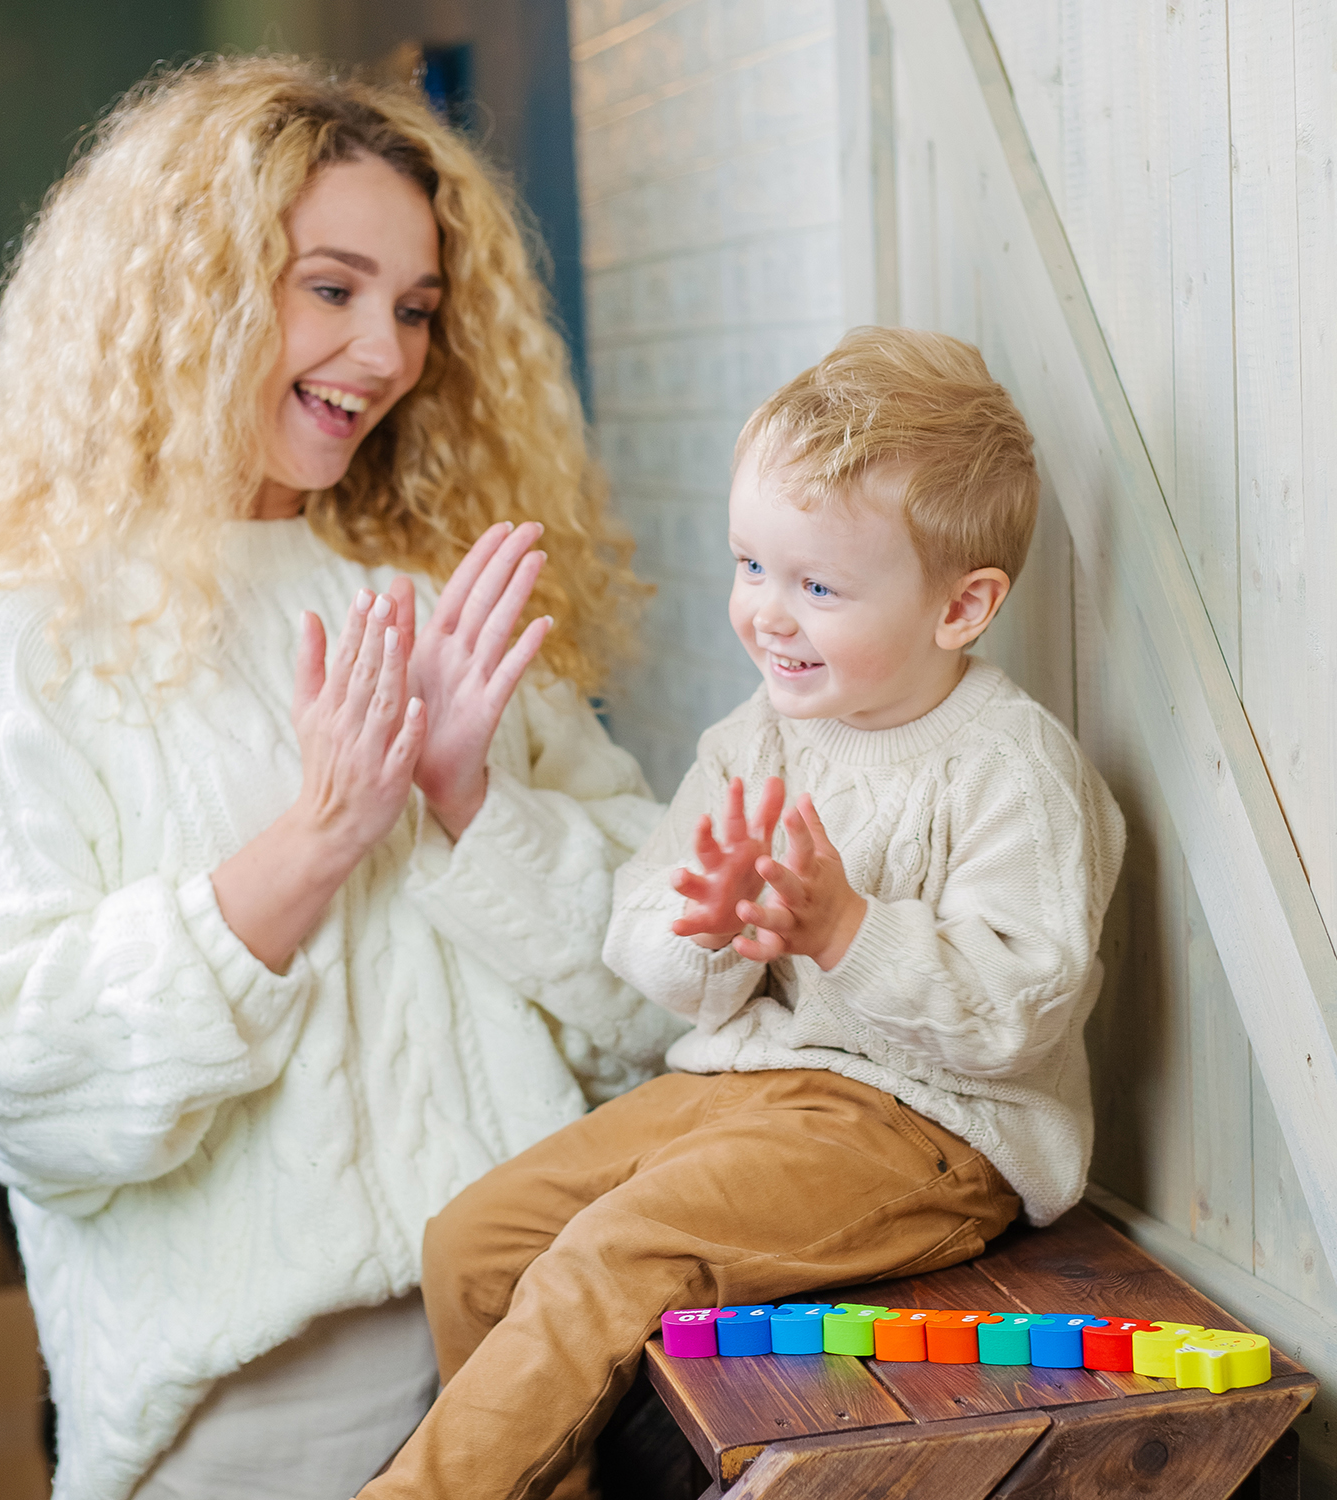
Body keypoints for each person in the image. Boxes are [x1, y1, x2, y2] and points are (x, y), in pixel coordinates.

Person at [0, 56, 681, 1500]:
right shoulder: (13, 628)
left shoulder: (438, 586)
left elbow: (656, 996)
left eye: (414, 309)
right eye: (329, 288)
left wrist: (471, 804)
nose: (383, 354)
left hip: (540, 1358)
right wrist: (317, 840)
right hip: (255, 1422)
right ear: (183, 288)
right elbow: (19, 1071)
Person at [362, 328, 1127, 1500]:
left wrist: (842, 932)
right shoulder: (756, 736)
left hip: (927, 1126)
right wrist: (705, 927)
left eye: (818, 586)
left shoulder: (1010, 765)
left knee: (616, 1256)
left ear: (961, 606)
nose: (768, 614)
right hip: (744, 1085)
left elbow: (1021, 1010)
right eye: (750, 566)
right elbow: (646, 945)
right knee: (472, 1243)